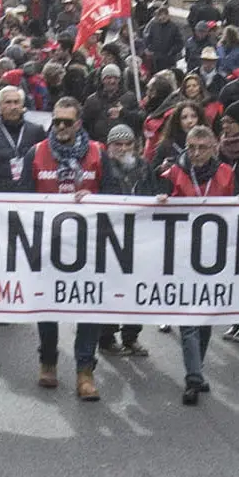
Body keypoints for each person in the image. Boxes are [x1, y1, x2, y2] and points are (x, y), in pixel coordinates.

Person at [20, 98, 109, 401]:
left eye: (66, 122)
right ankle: (48, 361)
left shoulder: (98, 153)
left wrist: (94, 200)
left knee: (89, 308)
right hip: (48, 248)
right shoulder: (36, 153)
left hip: (89, 248)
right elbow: (19, 202)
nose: (60, 127)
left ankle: (85, 371)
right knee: (48, 306)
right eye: (56, 121)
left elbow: (115, 197)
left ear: (78, 124)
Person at [157, 126, 235, 405]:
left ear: (214, 147)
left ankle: (197, 370)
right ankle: (192, 377)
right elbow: (153, 201)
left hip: (214, 258)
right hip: (182, 256)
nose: (197, 153)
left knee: (205, 320)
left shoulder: (227, 174)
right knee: (188, 320)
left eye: (203, 147)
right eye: (192, 148)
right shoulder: (173, 174)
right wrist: (160, 200)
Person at [96, 125, 154, 359]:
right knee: (110, 289)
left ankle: (131, 337)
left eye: (127, 144)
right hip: (109, 238)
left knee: (136, 288)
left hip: (138, 238)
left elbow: (152, 193)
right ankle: (107, 337)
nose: (123, 148)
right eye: (117, 144)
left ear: (135, 145)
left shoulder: (144, 167)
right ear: (109, 147)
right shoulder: (102, 168)